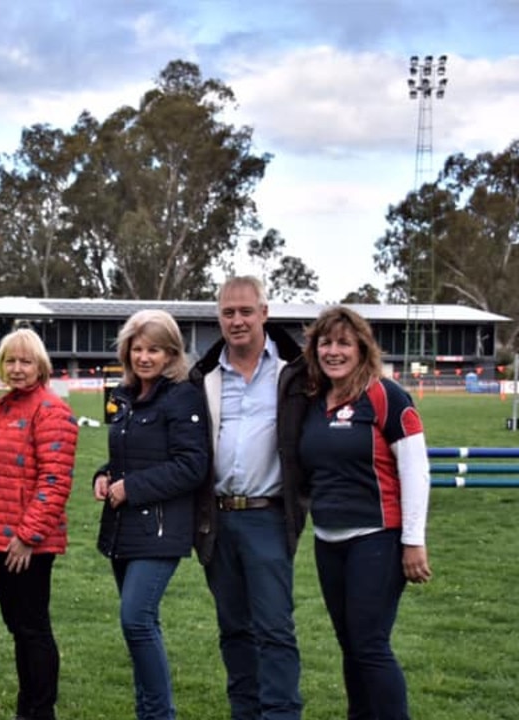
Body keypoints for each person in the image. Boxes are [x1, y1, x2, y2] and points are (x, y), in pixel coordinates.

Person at [298, 306, 432, 720]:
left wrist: (413, 540)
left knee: (370, 644)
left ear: (361, 349)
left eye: (343, 343)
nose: (333, 351)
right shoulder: (314, 401)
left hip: (378, 538)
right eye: (326, 343)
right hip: (328, 540)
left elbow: (415, 468)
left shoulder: (386, 396)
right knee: (350, 644)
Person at [190, 276, 308, 720]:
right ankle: (245, 712)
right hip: (217, 520)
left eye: (245, 311)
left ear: (264, 313)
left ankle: (281, 714)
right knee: (234, 630)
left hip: (268, 517)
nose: (236, 321)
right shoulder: (202, 376)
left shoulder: (294, 373)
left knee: (275, 629)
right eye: (227, 313)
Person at [93, 309, 211, 720]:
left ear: (171, 353)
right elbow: (127, 456)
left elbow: (192, 465)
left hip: (161, 528)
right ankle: (148, 713)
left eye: (155, 350)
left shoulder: (181, 396)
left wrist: (132, 488)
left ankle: (160, 714)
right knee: (141, 625)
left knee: (136, 619)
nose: (145, 357)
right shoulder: (126, 396)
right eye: (138, 349)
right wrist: (105, 475)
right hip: (125, 526)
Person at [0, 328, 78, 720]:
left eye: (25, 361)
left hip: (26, 544)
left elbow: (54, 481)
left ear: (41, 366)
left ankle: (39, 710)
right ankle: (28, 708)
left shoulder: (51, 410)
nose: (17, 369)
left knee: (33, 629)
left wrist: (27, 536)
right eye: (11, 361)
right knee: (19, 628)